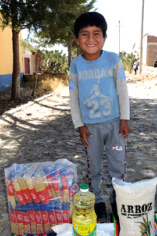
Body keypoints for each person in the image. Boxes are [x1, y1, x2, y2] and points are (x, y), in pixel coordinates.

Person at [68, 11, 130, 221]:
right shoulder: (76, 64)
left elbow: (122, 90)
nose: (91, 39)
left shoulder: (113, 60)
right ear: (77, 39)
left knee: (117, 165)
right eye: (84, 34)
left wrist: (125, 119)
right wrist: (79, 125)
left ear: (104, 37)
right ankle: (98, 203)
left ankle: (118, 201)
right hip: (91, 128)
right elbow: (73, 97)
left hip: (115, 127)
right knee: (93, 168)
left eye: (97, 33)